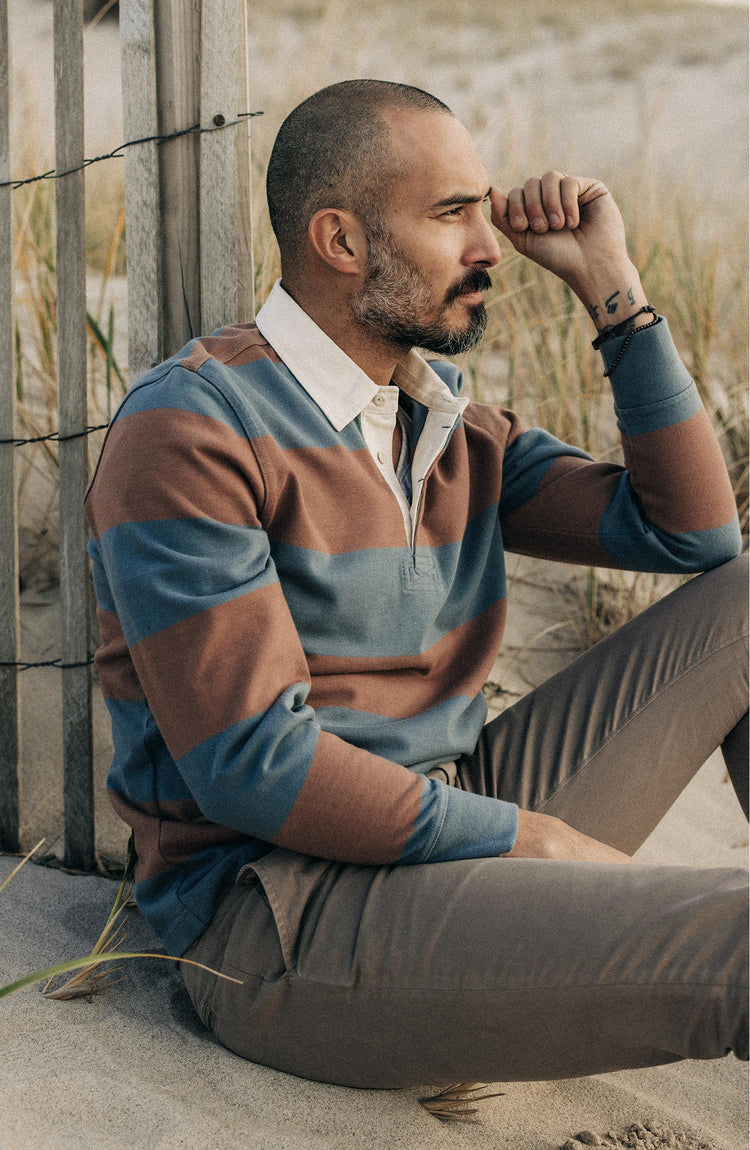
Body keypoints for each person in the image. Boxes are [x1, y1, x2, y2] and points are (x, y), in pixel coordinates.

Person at [85, 80, 748, 1089]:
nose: (491, 246)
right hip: (284, 916)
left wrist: (614, 288)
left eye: (485, 207)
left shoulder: (450, 428)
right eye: (452, 215)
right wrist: (536, 840)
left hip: (452, 822)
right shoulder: (192, 427)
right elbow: (253, 766)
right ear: (341, 241)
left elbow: (696, 536)